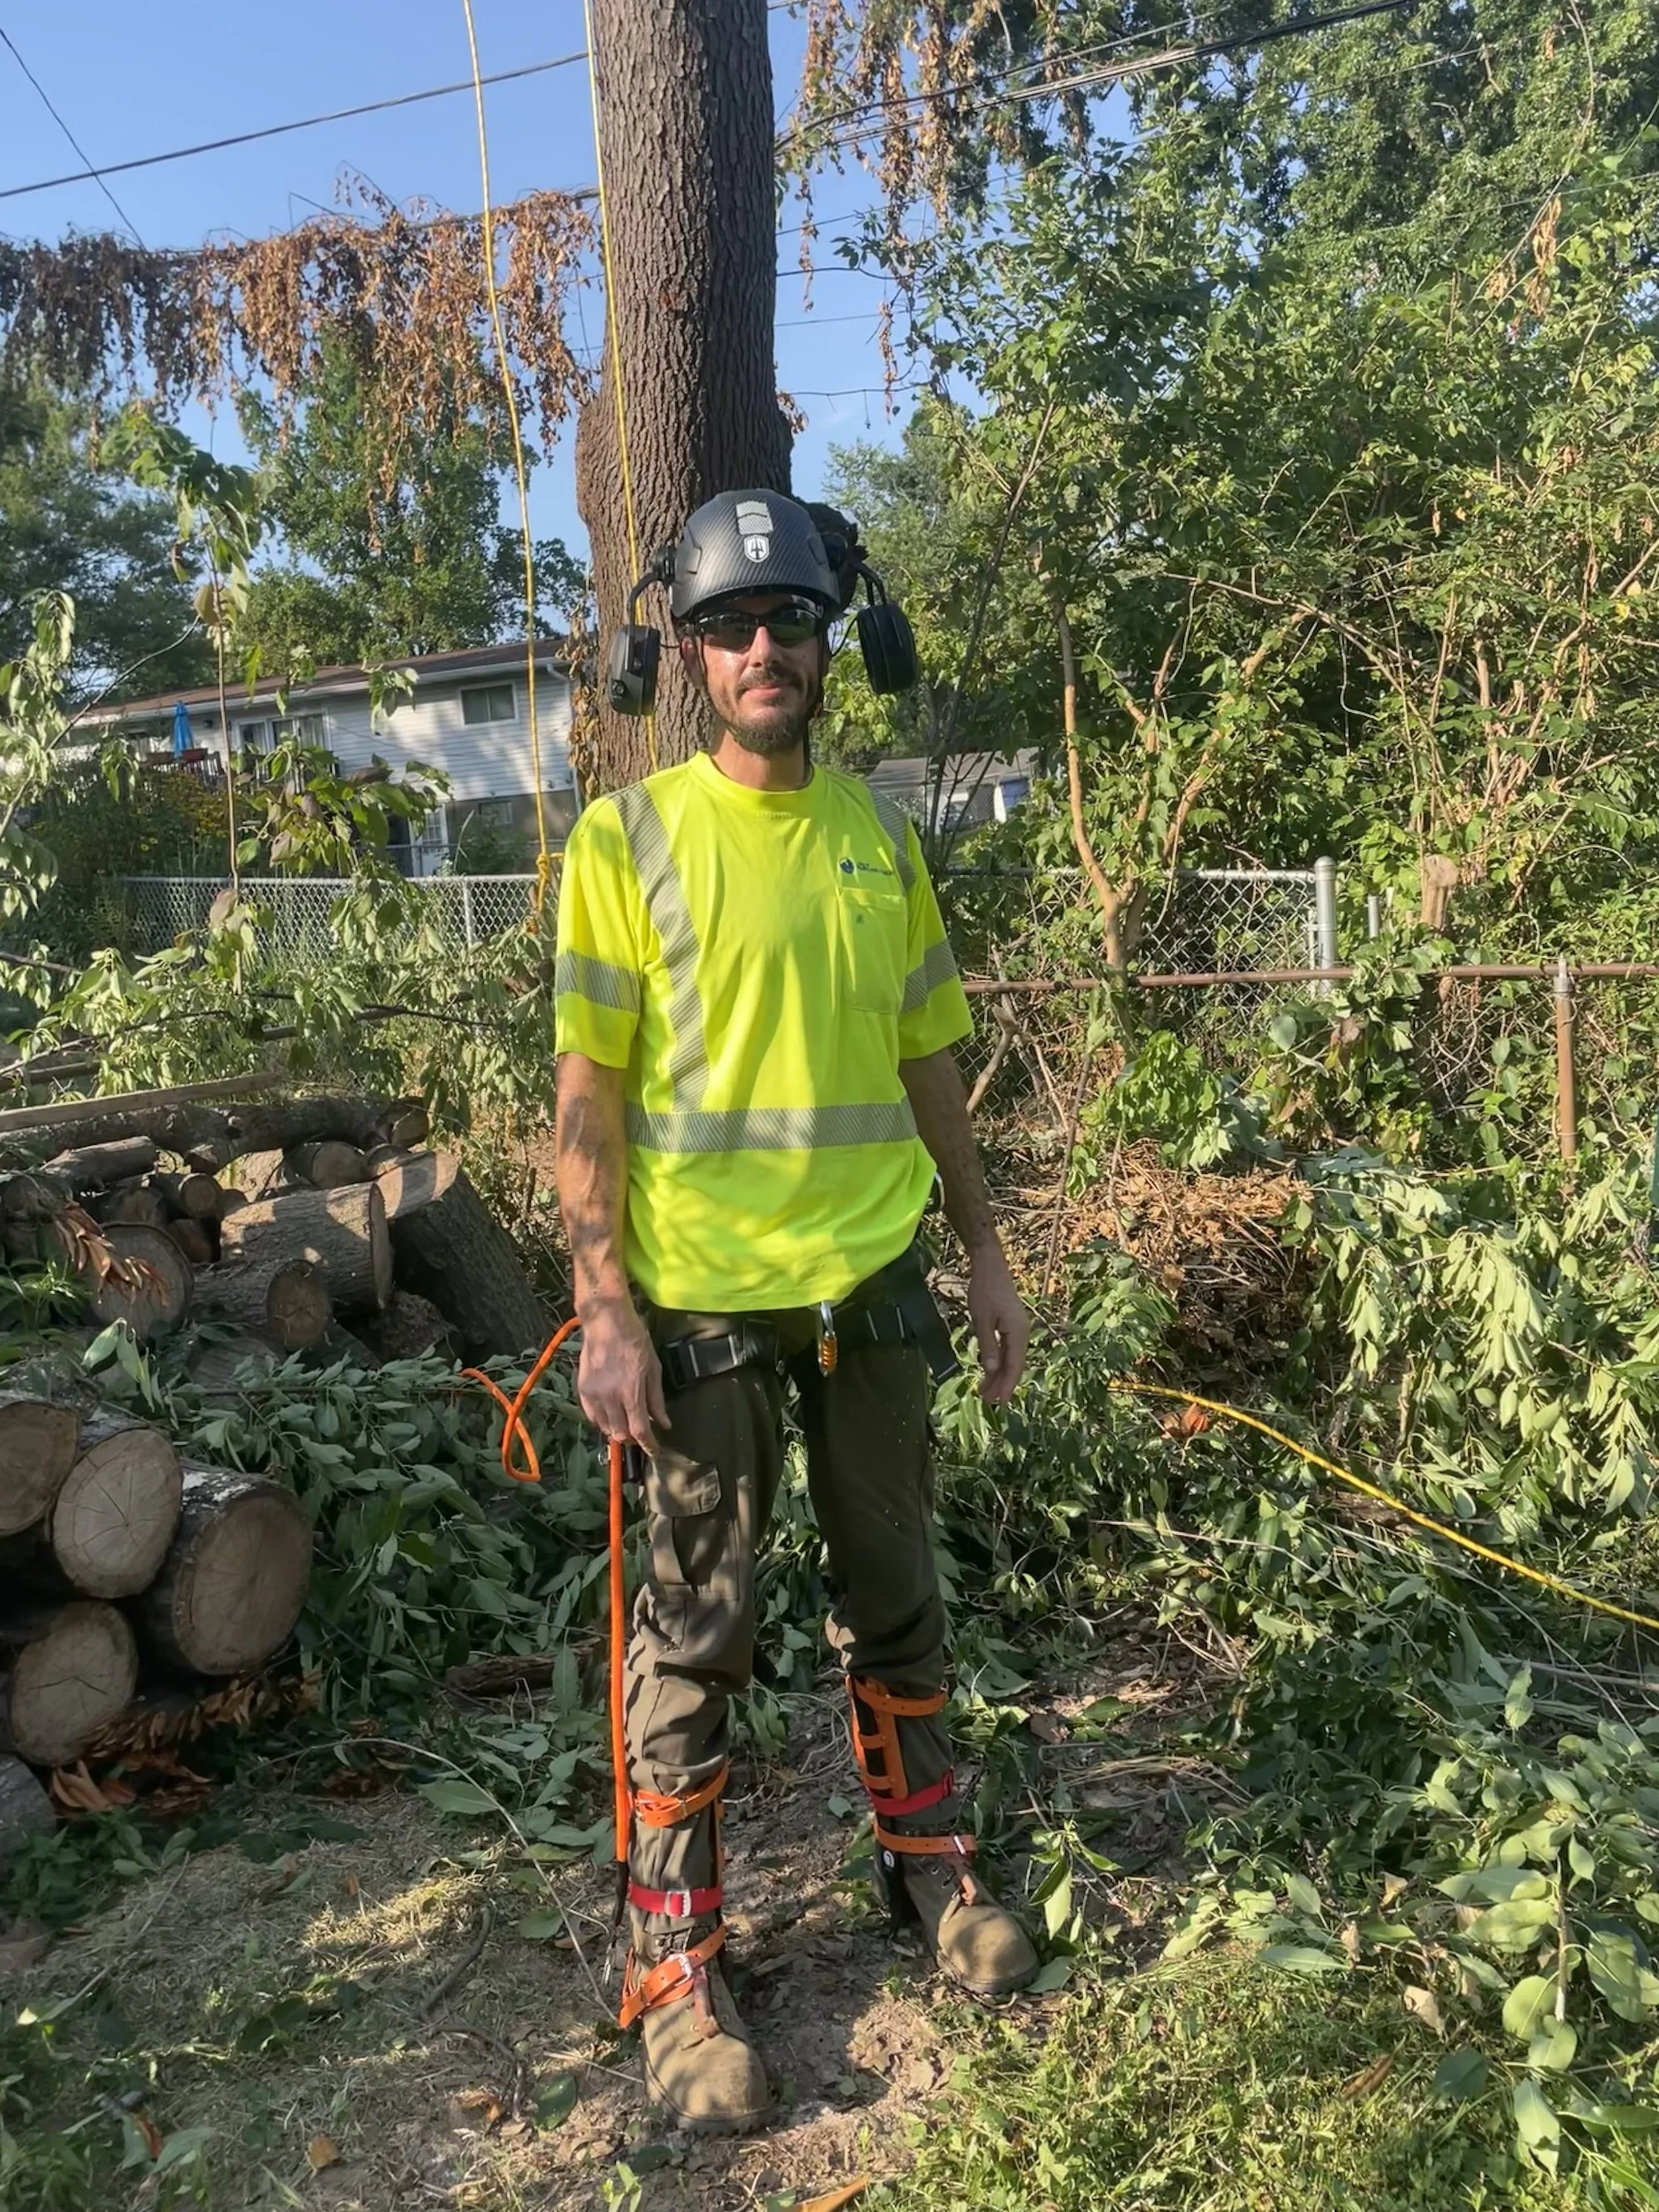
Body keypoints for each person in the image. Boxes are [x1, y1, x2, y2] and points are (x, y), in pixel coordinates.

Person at [553, 488, 1037, 2135]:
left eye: (795, 620)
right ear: (680, 655)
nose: (768, 648)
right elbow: (586, 1100)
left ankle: (928, 1866)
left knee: (897, 1594)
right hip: (696, 1314)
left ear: (836, 641)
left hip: (873, 1294)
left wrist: (981, 1250)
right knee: (695, 1639)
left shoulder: (878, 836)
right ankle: (672, 1965)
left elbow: (929, 1069)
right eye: (731, 625)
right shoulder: (624, 843)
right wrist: (600, 1303)